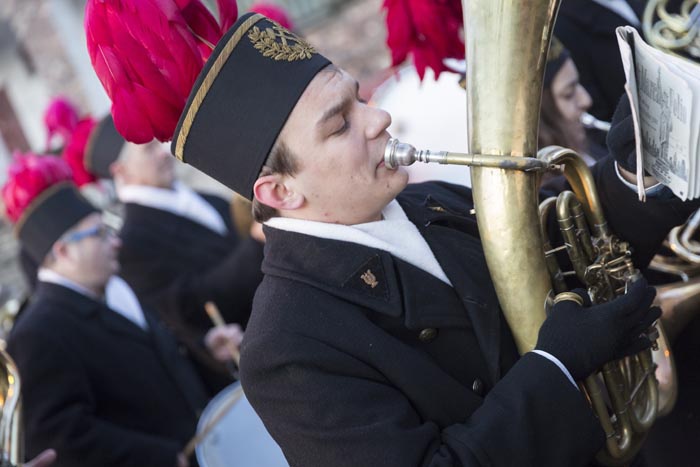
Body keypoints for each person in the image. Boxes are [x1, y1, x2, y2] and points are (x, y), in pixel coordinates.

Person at [87, 9, 692, 467]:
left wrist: (639, 168)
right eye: (341, 124)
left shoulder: (424, 200)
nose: (378, 118)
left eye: (358, 99)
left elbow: (573, 249)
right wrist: (557, 369)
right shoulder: (283, 350)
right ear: (279, 192)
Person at [2, 153, 242, 466]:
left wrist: (206, 351)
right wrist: (159, 457)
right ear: (63, 251)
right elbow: (61, 436)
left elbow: (154, 362)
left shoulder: (116, 286)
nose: (115, 242)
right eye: (99, 233)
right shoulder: (37, 332)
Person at [108, 139, 264, 391]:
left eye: (159, 144)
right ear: (120, 171)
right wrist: (256, 245)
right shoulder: (133, 243)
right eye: (148, 150)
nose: (163, 154)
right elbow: (190, 305)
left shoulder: (209, 200)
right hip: (248, 358)